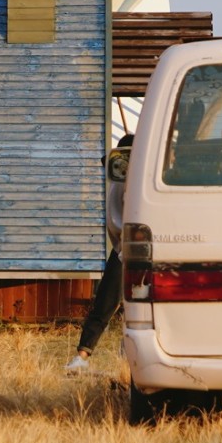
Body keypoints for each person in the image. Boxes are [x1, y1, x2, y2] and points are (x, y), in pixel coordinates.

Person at [67, 135, 134, 375]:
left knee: (108, 303)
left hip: (124, 248)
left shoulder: (119, 180)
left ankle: (83, 356)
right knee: (119, 303)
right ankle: (86, 356)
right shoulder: (129, 182)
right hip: (131, 248)